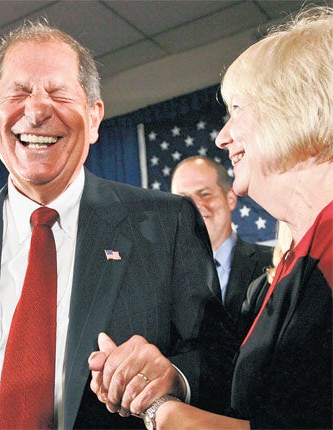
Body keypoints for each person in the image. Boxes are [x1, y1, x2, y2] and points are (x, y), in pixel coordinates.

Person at [0, 21, 238, 429]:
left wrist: (174, 376)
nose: (37, 109)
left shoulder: (166, 224)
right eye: (19, 92)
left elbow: (221, 360)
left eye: (59, 91)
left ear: (95, 117)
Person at [89, 6, 333, 429]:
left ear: (297, 108)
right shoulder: (296, 260)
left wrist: (161, 411)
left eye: (237, 109)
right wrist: (172, 378)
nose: (223, 136)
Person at [171, 156, 272, 339]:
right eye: (183, 199)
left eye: (205, 193)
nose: (195, 206)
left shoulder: (274, 262)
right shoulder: (164, 275)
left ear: (231, 199)